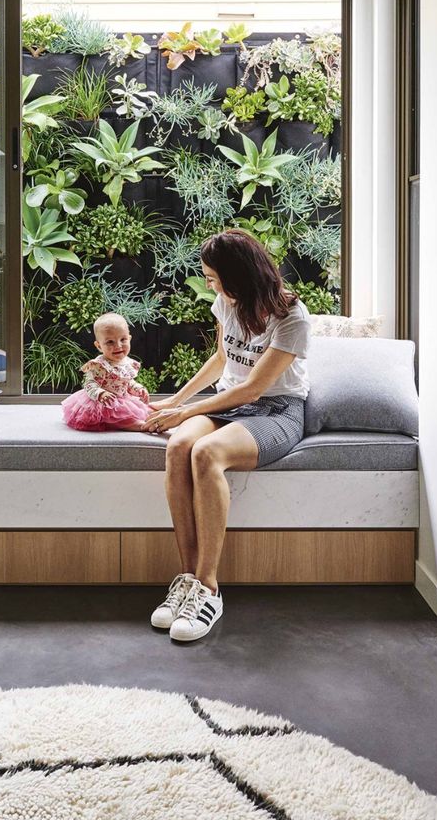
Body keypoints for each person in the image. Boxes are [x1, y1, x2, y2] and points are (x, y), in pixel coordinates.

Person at [141, 229, 311, 642]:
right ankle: (187, 580)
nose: (209, 286)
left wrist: (188, 411)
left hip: (276, 411)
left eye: (214, 279)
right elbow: (221, 361)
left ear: (240, 276)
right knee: (180, 445)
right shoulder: (226, 302)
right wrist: (174, 401)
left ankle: (209, 588)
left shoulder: (292, 317)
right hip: (227, 403)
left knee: (206, 453)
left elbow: (253, 389)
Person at [61, 312, 152, 432]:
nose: (118, 345)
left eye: (123, 339)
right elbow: (89, 384)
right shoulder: (100, 365)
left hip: (122, 399)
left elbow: (127, 382)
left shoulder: (127, 363)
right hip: (103, 403)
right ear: (99, 346)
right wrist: (100, 393)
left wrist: (138, 388)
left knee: (142, 411)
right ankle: (125, 424)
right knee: (122, 417)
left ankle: (136, 420)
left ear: (129, 339)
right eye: (110, 342)